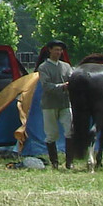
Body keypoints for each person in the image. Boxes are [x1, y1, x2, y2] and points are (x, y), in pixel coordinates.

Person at [37, 40, 72, 170]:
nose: (58, 52)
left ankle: (69, 162)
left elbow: (71, 78)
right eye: (56, 50)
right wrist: (64, 86)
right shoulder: (43, 67)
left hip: (65, 103)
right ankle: (54, 163)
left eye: (60, 50)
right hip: (49, 105)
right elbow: (46, 86)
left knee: (70, 130)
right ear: (50, 50)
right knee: (51, 134)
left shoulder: (66, 66)